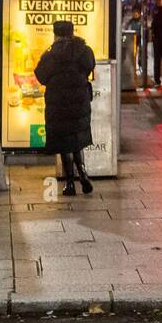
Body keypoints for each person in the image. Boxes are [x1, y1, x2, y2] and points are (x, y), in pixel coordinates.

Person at [34, 20, 96, 196]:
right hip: (79, 102)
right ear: (72, 32)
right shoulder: (84, 50)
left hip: (58, 103)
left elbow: (41, 76)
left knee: (64, 143)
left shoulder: (51, 54)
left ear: (55, 34)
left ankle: (70, 183)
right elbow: (90, 66)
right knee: (77, 140)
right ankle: (83, 174)